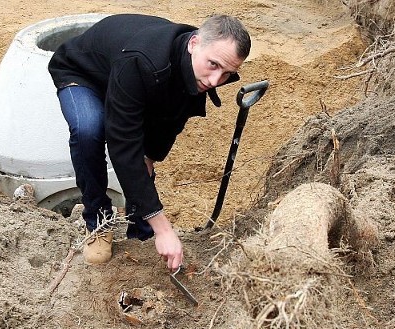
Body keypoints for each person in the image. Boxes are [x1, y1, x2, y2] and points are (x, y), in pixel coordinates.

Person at [48, 14, 251, 270]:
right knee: (89, 129)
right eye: (213, 65)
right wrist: (164, 228)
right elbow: (122, 144)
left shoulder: (192, 68)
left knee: (143, 157)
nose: (214, 81)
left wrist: (149, 157)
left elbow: (169, 122)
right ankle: (97, 219)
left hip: (126, 79)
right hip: (85, 75)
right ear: (194, 43)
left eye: (227, 74)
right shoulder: (142, 61)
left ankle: (140, 227)